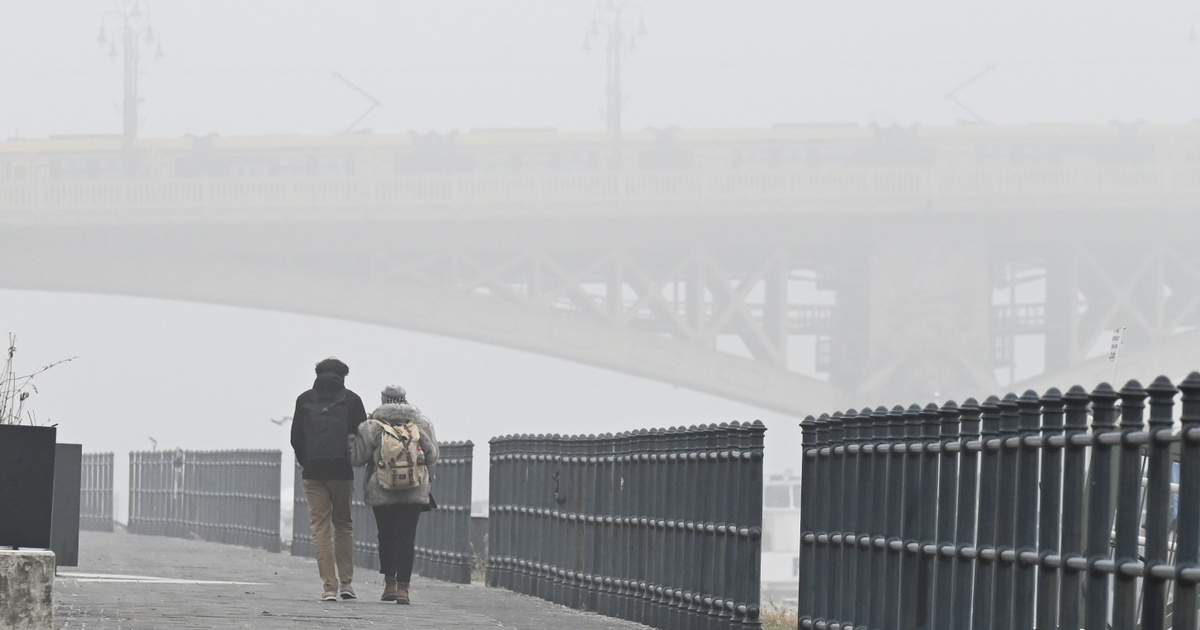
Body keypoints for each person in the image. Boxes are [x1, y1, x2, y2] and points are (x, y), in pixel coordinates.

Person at [349, 385, 439, 604]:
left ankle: (389, 583)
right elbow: (432, 455)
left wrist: (352, 438)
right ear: (405, 399)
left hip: (382, 489)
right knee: (406, 538)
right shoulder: (422, 424)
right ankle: (403, 589)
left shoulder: (372, 426)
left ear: (383, 399)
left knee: (386, 536)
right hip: (413, 489)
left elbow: (357, 458)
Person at [290, 357, 368, 601]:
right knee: (343, 524)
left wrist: (307, 461)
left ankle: (329, 587)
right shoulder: (352, 400)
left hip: (313, 473)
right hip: (342, 472)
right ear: (343, 376)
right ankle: (346, 584)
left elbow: (295, 437)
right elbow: (362, 436)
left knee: (320, 528)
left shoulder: (304, 400)